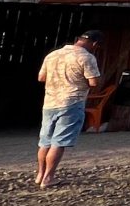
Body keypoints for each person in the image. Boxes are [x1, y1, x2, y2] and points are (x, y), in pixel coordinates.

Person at [34, 29, 102, 189]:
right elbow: (93, 82)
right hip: (71, 102)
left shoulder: (53, 55)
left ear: (78, 39)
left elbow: (41, 77)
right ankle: (48, 178)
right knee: (59, 142)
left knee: (45, 142)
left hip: (49, 102)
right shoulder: (86, 57)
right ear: (95, 44)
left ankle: (40, 175)